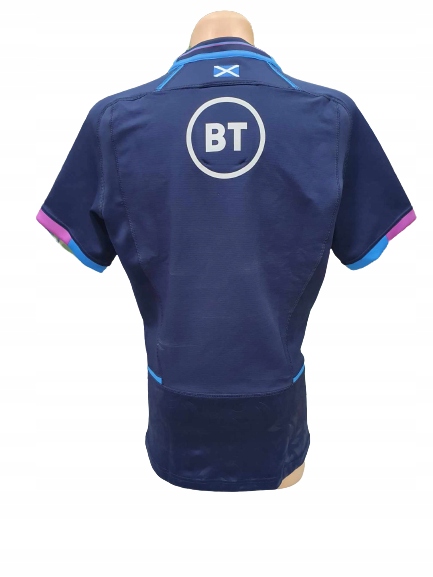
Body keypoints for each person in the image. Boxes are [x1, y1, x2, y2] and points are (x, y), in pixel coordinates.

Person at [36, 11, 416, 491]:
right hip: (274, 429)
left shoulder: (115, 118)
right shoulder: (330, 114)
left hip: (179, 424)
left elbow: (81, 243)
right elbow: (364, 247)